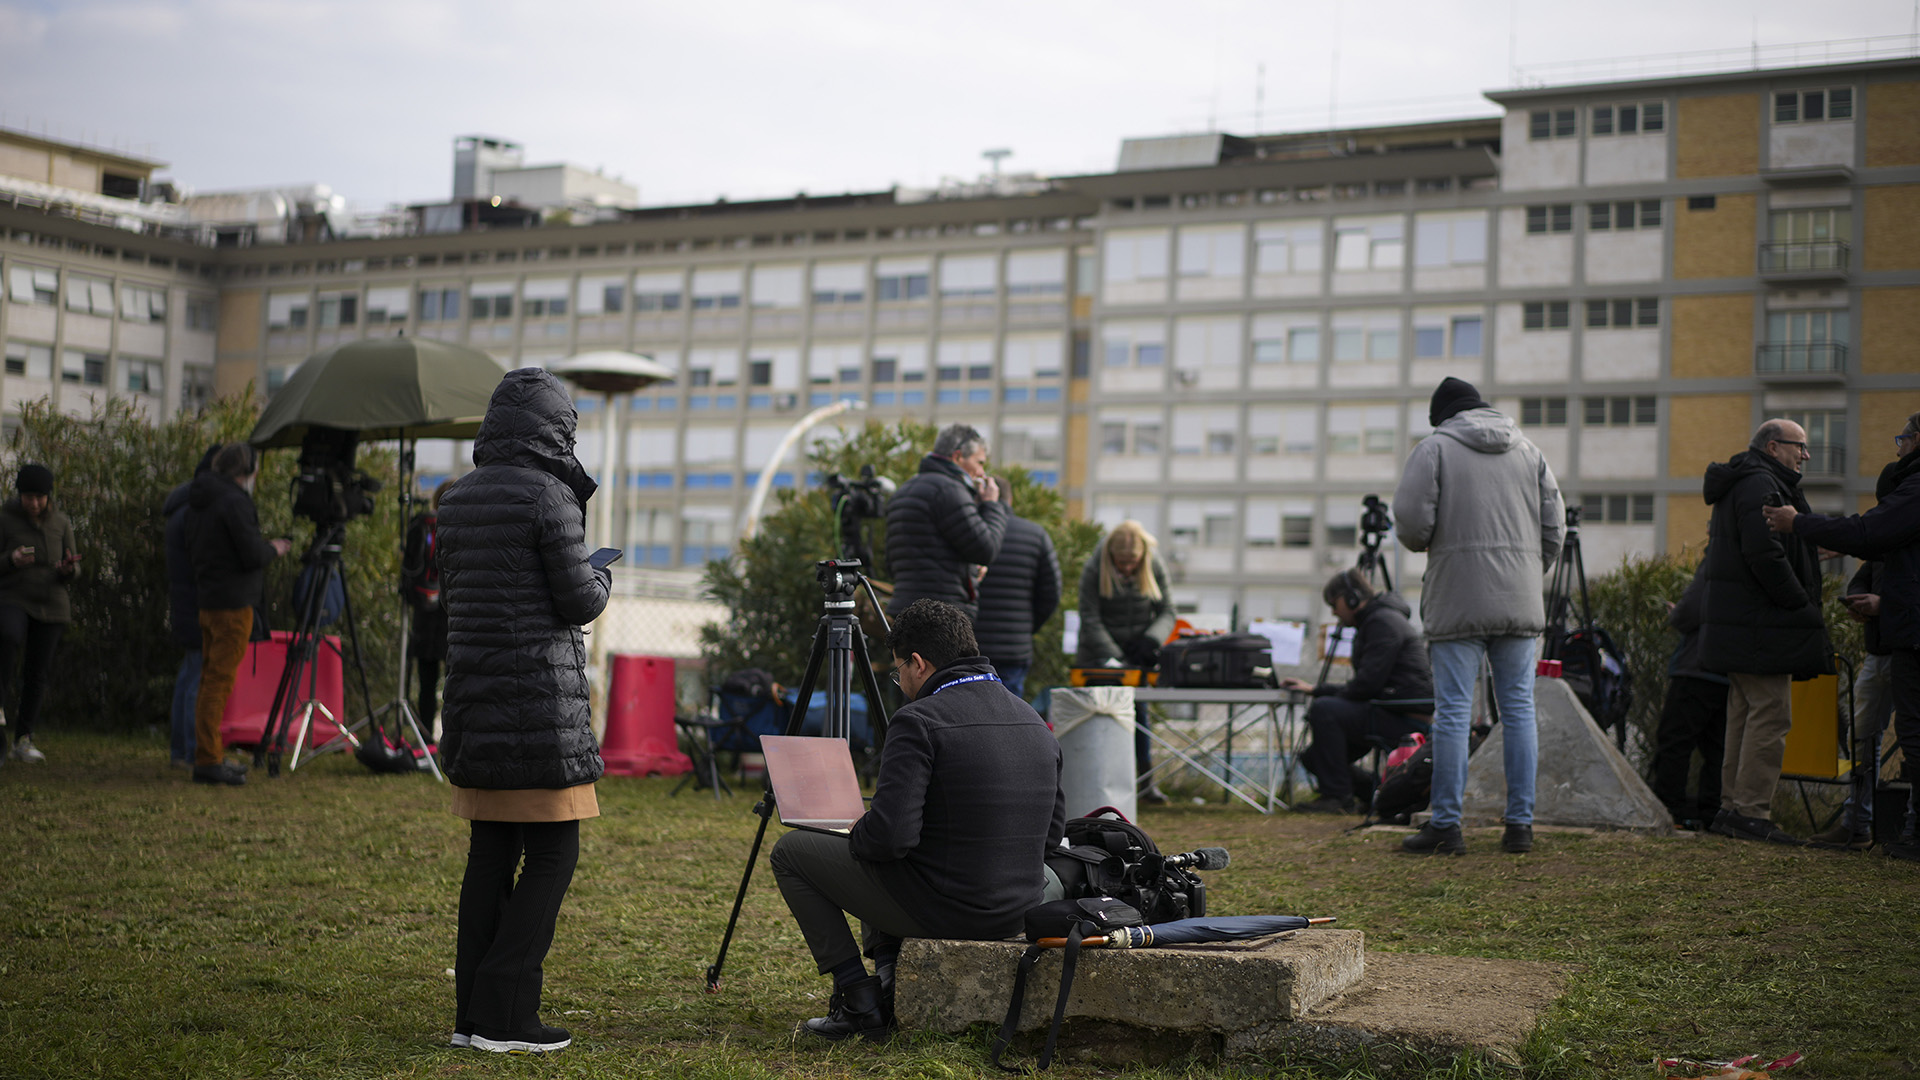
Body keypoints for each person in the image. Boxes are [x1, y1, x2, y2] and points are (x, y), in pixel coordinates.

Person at [769, 599, 1065, 1042]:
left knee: (793, 852)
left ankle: (858, 999)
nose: (901, 682)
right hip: (1020, 907)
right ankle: (890, 979)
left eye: (898, 671)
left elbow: (888, 840)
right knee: (891, 849)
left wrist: (858, 828)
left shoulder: (919, 720)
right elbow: (1052, 836)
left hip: (950, 911)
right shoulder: (1032, 720)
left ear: (919, 663)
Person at [438, 368, 612, 1054]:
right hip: (539, 709)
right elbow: (579, 601)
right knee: (554, 851)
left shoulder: (454, 499)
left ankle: (470, 1015)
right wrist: (602, 573)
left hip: (476, 701)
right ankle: (507, 1014)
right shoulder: (550, 496)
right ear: (556, 429)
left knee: (490, 852)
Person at [1392, 377, 1563, 856]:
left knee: (1452, 714)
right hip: (1519, 599)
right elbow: (1556, 526)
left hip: (1458, 599)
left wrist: (1429, 543)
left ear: (1442, 415)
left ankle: (1446, 826)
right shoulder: (1529, 451)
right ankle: (1520, 827)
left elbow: (1410, 521)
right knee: (1519, 711)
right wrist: (1528, 570)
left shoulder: (1435, 448)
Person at [1762, 410, 1920, 862]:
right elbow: (1868, 554)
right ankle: (1860, 823)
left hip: (1904, 638)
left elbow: (1868, 532)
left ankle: (1911, 828)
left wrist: (1800, 524)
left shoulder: (1910, 498)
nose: (1897, 446)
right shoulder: (1898, 523)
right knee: (1872, 736)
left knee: (1913, 736)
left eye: (1902, 438)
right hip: (1885, 645)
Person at [1699, 418, 1831, 845]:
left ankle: (1732, 809)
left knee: (1744, 712)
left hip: (1744, 625)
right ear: (1774, 447)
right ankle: (1752, 812)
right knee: (1771, 714)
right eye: (1800, 446)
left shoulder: (1750, 481)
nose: (1805, 455)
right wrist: (1801, 603)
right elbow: (1763, 554)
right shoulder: (1761, 484)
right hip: (1761, 626)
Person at [1281, 569, 1434, 814]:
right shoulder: (1378, 620)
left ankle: (1336, 798)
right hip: (1391, 708)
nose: (1333, 612)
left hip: (1403, 716)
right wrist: (1316, 689)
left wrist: (1319, 692)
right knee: (1313, 757)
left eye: (1334, 603)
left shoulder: (1382, 622)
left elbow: (1366, 686)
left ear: (1351, 598)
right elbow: (1368, 686)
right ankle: (1377, 792)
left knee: (1324, 710)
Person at [185, 443, 292, 786]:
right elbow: (249, 554)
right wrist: (274, 548)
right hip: (233, 606)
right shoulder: (234, 501)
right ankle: (208, 760)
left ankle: (208, 752)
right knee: (218, 683)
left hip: (209, 600)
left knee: (208, 679)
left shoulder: (200, 498)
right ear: (245, 471)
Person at [1075, 520, 1177, 804]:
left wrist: (1151, 640)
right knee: (1095, 718)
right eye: (1121, 563)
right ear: (1111, 556)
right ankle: (1092, 784)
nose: (1127, 569)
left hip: (1137, 657)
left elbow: (1168, 610)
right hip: (1096, 656)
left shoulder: (1153, 564)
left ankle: (1145, 784)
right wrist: (1115, 656)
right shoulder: (1094, 568)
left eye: (1132, 564)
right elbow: (1090, 617)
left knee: (1139, 718)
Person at [883, 423, 1008, 622]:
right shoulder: (950, 491)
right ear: (958, 457)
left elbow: (893, 561)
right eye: (980, 462)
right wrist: (992, 504)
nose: (982, 473)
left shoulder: (904, 490)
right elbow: (987, 549)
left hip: (903, 609)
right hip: (942, 616)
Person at [0, 463, 81, 764]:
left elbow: (74, 563)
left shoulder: (61, 522)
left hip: (52, 604)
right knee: (7, 641)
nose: (34, 503)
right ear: (19, 495)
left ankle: (24, 738)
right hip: (13, 597)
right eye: (28, 497)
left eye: (40, 497)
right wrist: (11, 559)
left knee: (37, 673)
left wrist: (69, 569)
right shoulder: (5, 519)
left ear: (49, 496)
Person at [1646, 558, 1727, 830]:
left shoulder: (1720, 555)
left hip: (1697, 666)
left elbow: (1691, 608)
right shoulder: (1754, 555)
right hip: (1730, 670)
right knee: (1718, 748)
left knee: (1675, 741)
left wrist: (1676, 614)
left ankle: (1670, 810)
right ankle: (1712, 812)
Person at [163, 446, 221, 769]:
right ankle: (190, 749)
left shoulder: (181, 505)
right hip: (198, 603)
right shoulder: (194, 511)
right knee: (197, 677)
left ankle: (182, 750)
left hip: (185, 602)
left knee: (189, 675)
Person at [973, 511, 1061, 698]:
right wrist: (1025, 628)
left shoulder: (968, 531)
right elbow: (1051, 594)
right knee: (1009, 715)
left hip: (971, 646)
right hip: (1013, 648)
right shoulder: (1035, 534)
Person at [400, 480, 450, 738]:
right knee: (454, 683)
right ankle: (453, 738)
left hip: (424, 616)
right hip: (451, 618)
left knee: (427, 684)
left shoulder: (425, 526)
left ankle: (425, 736)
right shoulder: (459, 529)